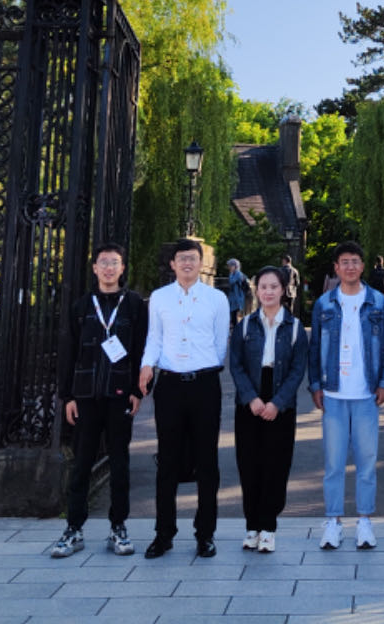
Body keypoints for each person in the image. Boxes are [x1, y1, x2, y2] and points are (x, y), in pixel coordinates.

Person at [47, 241, 147, 559]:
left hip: (119, 395)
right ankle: (73, 528)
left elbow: (143, 349)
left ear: (122, 268)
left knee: (119, 464)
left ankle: (118, 526)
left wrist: (138, 390)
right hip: (86, 395)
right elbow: (69, 352)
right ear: (94, 268)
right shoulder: (81, 306)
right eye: (103, 262)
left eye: (114, 262)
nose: (108, 268)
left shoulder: (134, 305)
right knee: (82, 464)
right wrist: (67, 396)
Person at [138, 238, 231, 559]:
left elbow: (220, 342)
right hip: (170, 385)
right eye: (181, 259)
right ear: (173, 264)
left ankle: (205, 533)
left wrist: (202, 365)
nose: (187, 263)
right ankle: (163, 533)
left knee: (207, 461)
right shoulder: (160, 298)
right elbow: (154, 337)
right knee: (167, 460)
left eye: (192, 258)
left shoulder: (217, 299)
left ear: (200, 263)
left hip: (204, 384)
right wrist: (147, 365)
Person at [307, 240, 384, 552]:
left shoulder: (378, 302)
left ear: (363, 265)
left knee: (367, 460)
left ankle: (365, 520)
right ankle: (333, 521)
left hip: (366, 392)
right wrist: (315, 385)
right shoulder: (324, 304)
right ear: (336, 268)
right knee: (333, 462)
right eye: (344, 262)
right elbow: (315, 347)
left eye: (355, 261)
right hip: (333, 392)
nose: (350, 267)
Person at [227, 265, 309, 553]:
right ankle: (252, 526)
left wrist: (277, 402)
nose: (268, 292)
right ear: (256, 290)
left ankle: (268, 527)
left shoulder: (295, 327)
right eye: (263, 287)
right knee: (249, 464)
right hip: (250, 400)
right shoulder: (245, 326)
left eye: (274, 286)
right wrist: (251, 398)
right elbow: (235, 365)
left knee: (276, 464)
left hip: (280, 400)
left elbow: (298, 370)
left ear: (283, 290)